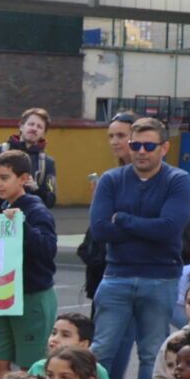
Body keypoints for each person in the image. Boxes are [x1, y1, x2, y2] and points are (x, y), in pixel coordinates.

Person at [88, 116, 190, 379]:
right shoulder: (112, 180)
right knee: (100, 353)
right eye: (135, 145)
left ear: (164, 147)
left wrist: (122, 219)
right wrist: (147, 228)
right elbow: (99, 229)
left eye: (149, 145)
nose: (141, 151)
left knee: (153, 355)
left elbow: (169, 228)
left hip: (160, 278)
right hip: (116, 276)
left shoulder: (178, 180)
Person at [0, 149, 60, 379]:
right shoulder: (5, 207)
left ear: (23, 178)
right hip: (7, 296)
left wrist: (23, 225)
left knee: (32, 366)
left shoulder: (35, 209)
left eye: (4, 177)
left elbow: (48, 250)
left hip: (32, 296)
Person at [78, 111, 137, 301]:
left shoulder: (150, 177)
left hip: (132, 266)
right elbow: (99, 223)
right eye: (111, 136)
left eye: (121, 136)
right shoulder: (113, 176)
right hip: (105, 263)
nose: (114, 141)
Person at [0, 107, 58, 214]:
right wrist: (5, 182)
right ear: (21, 126)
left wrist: (35, 188)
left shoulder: (47, 162)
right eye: (31, 124)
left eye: (39, 127)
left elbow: (50, 199)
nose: (34, 128)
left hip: (27, 220)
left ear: (43, 133)